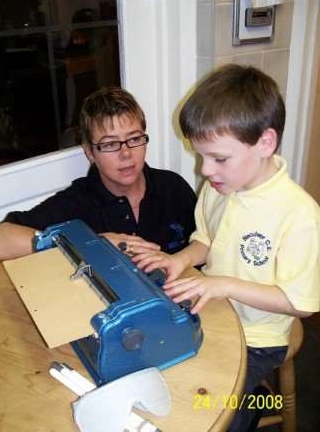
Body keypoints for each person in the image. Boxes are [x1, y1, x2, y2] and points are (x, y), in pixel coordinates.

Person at [133, 64, 320, 431]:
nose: (206, 169)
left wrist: (223, 285)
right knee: (154, 368)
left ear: (265, 143)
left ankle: (251, 406)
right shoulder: (221, 188)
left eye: (219, 158)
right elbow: (206, 239)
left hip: (259, 338)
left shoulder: (300, 216)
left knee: (210, 412)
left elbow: (301, 304)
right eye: (201, 156)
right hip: (212, 314)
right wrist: (180, 259)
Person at [0, 87, 197, 261]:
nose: (126, 153)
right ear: (90, 152)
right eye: (110, 144)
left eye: (134, 139)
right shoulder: (77, 201)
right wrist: (87, 243)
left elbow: (207, 246)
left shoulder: (173, 187)